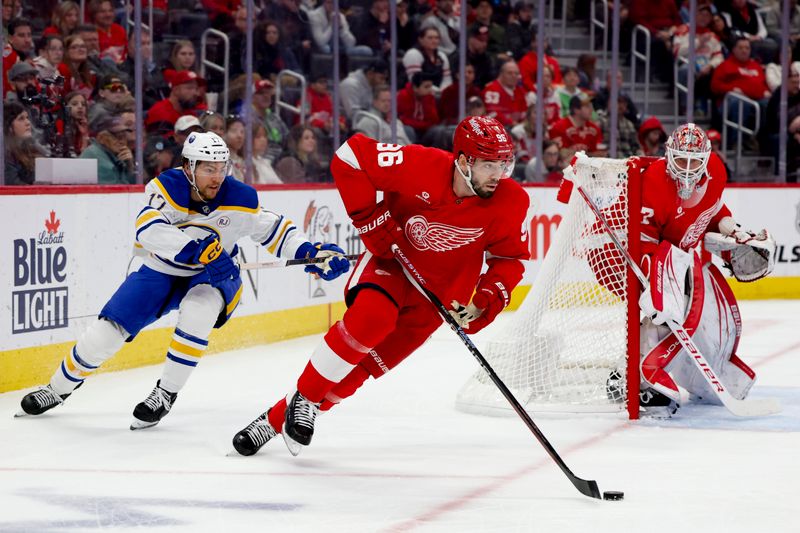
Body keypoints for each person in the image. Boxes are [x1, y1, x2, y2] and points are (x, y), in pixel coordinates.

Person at [231, 115, 530, 456]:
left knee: (357, 373)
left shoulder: (511, 201)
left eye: (504, 164)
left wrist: (483, 303)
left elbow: (510, 259)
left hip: (437, 302)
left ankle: (273, 420)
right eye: (489, 165)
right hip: (392, 269)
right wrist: (370, 220)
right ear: (464, 161)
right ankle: (306, 398)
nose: (498, 175)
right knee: (372, 321)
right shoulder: (421, 164)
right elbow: (350, 157)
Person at [18, 131, 351, 429]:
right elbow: (148, 229)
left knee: (198, 312)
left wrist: (310, 251)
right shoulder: (165, 187)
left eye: (222, 167)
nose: (217, 176)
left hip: (214, 276)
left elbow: (274, 230)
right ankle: (57, 388)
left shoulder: (241, 197)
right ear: (189, 168)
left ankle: (165, 394)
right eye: (208, 168)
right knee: (105, 334)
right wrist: (194, 249)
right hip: (161, 270)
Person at [604, 123, 775, 415]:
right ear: (669, 156)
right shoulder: (654, 183)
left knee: (683, 308)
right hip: (614, 250)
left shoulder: (715, 173)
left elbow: (711, 209)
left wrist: (731, 230)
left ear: (706, 160)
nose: (686, 168)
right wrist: (658, 291)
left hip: (666, 252)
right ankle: (635, 379)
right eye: (681, 160)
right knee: (663, 308)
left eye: (694, 162)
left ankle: (630, 372)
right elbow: (643, 246)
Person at [79, 109, 135, 184]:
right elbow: (119, 192)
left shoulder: (115, 154)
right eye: (117, 137)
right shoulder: (96, 155)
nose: (121, 141)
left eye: (123, 136)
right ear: (102, 137)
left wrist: (129, 166)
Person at [3, 100, 46, 185]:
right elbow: (13, 185)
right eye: (21, 119)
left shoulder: (32, 148)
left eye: (27, 118)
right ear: (8, 126)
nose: (28, 122)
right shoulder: (5, 155)